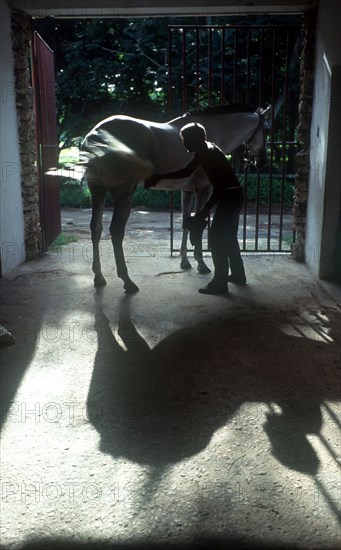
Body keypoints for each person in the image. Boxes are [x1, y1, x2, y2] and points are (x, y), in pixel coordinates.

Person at [145, 122, 247, 295]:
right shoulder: (205, 149)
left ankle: (219, 283)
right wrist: (159, 177)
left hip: (229, 196)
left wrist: (202, 213)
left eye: (185, 140)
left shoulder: (209, 154)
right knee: (229, 237)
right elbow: (186, 171)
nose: (183, 144)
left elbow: (220, 190)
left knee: (216, 239)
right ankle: (238, 274)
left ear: (194, 140)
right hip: (233, 195)